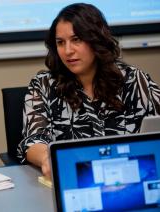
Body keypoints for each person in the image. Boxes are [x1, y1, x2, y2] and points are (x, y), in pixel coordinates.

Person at [17, 3, 160, 179]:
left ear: (96, 40)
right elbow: (33, 141)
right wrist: (47, 159)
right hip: (74, 179)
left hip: (134, 177)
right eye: (60, 43)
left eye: (76, 39)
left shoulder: (134, 80)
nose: (68, 51)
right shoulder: (44, 85)